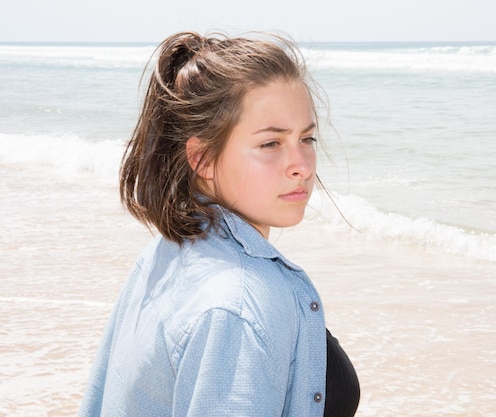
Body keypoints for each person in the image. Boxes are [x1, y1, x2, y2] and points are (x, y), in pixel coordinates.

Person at [78, 31, 360, 417]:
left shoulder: (170, 251)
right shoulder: (239, 305)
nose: (303, 166)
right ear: (203, 158)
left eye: (307, 138)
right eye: (270, 144)